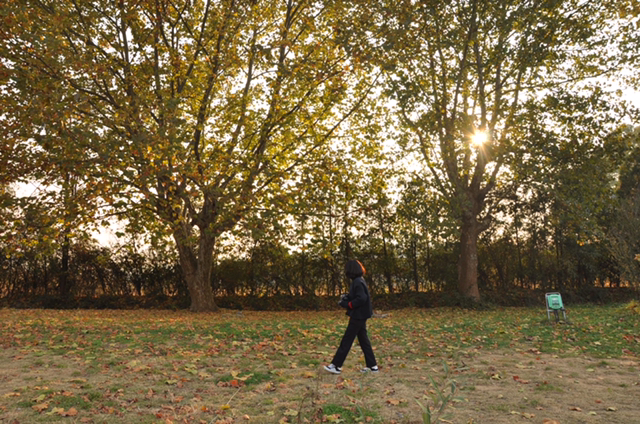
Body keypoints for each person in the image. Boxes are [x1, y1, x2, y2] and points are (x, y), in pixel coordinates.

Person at [324, 260, 378, 374]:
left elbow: (361, 298)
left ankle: (336, 365)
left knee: (347, 340)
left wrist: (348, 304)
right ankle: (372, 366)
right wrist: (347, 297)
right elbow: (358, 296)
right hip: (361, 314)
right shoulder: (359, 281)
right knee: (363, 340)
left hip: (358, 315)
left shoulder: (357, 282)